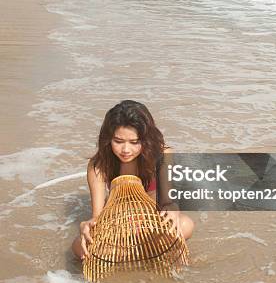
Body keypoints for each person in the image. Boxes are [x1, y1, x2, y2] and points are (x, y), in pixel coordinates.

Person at [72, 100, 194, 260]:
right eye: (118, 141)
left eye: (135, 142)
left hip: (151, 221)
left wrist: (173, 209)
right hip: (119, 220)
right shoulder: (99, 165)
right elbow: (98, 216)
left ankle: (127, 255)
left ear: (146, 139)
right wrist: (86, 225)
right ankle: (146, 253)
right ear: (108, 139)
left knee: (186, 225)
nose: (126, 150)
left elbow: (167, 201)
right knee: (79, 248)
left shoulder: (162, 156)